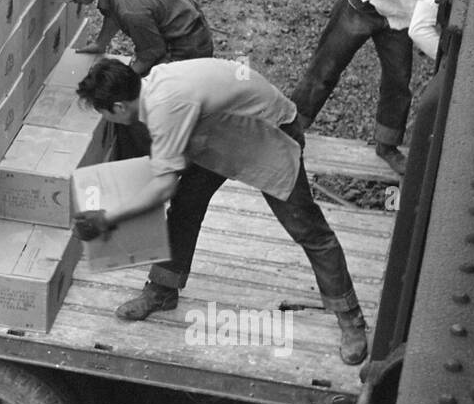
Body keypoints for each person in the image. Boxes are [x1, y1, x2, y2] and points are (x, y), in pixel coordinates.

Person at [72, 57, 369, 365]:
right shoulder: (153, 84)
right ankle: (163, 289)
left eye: (104, 112)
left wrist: (107, 218)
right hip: (221, 129)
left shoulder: (166, 108)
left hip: (266, 132)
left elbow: (163, 187)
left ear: (119, 107)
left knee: (307, 228)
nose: (106, 118)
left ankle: (350, 317)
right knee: (187, 204)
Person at [291, 0, 445, 177]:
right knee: (325, 69)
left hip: (398, 15)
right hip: (364, 0)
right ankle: (291, 134)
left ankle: (387, 145)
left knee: (398, 81)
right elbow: (421, 30)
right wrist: (448, 59)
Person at [52, 0, 214, 158]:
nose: (70, 1)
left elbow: (153, 52)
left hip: (186, 48)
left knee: (134, 109)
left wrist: (122, 82)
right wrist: (101, 43)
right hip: (172, 36)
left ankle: (151, 160)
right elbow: (112, 13)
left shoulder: (130, 9)